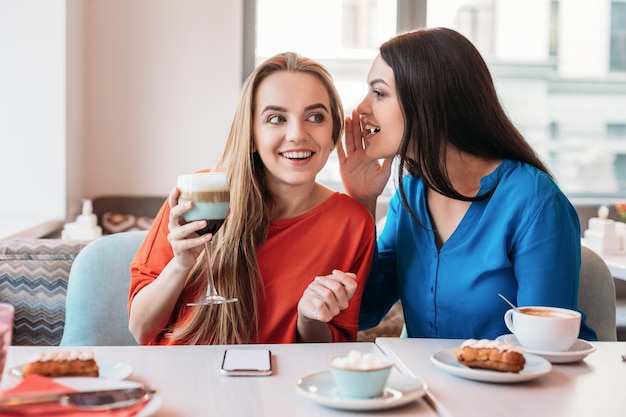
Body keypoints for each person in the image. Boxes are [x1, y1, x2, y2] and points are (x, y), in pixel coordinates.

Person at [337, 27, 597, 341]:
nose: (362, 109)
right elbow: (363, 313)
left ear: (429, 98)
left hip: (518, 387)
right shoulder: (411, 197)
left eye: (379, 93)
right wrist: (362, 203)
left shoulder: (534, 202)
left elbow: (546, 346)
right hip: (430, 387)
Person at [128, 52, 375, 345]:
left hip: (279, 387)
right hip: (182, 382)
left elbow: (332, 351)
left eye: (315, 116)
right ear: (252, 136)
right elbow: (140, 329)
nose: (297, 134)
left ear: (334, 130)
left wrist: (309, 319)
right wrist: (180, 265)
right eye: (276, 118)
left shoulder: (352, 223)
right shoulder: (201, 193)